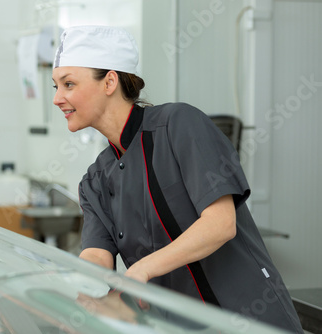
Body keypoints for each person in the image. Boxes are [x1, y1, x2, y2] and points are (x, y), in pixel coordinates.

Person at [51, 25, 303, 333]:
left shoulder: (178, 125)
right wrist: (72, 286)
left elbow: (220, 224)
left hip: (248, 319)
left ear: (110, 82)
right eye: (56, 87)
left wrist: (143, 268)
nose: (58, 98)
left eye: (69, 84)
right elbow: (97, 253)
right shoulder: (94, 181)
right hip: (175, 326)